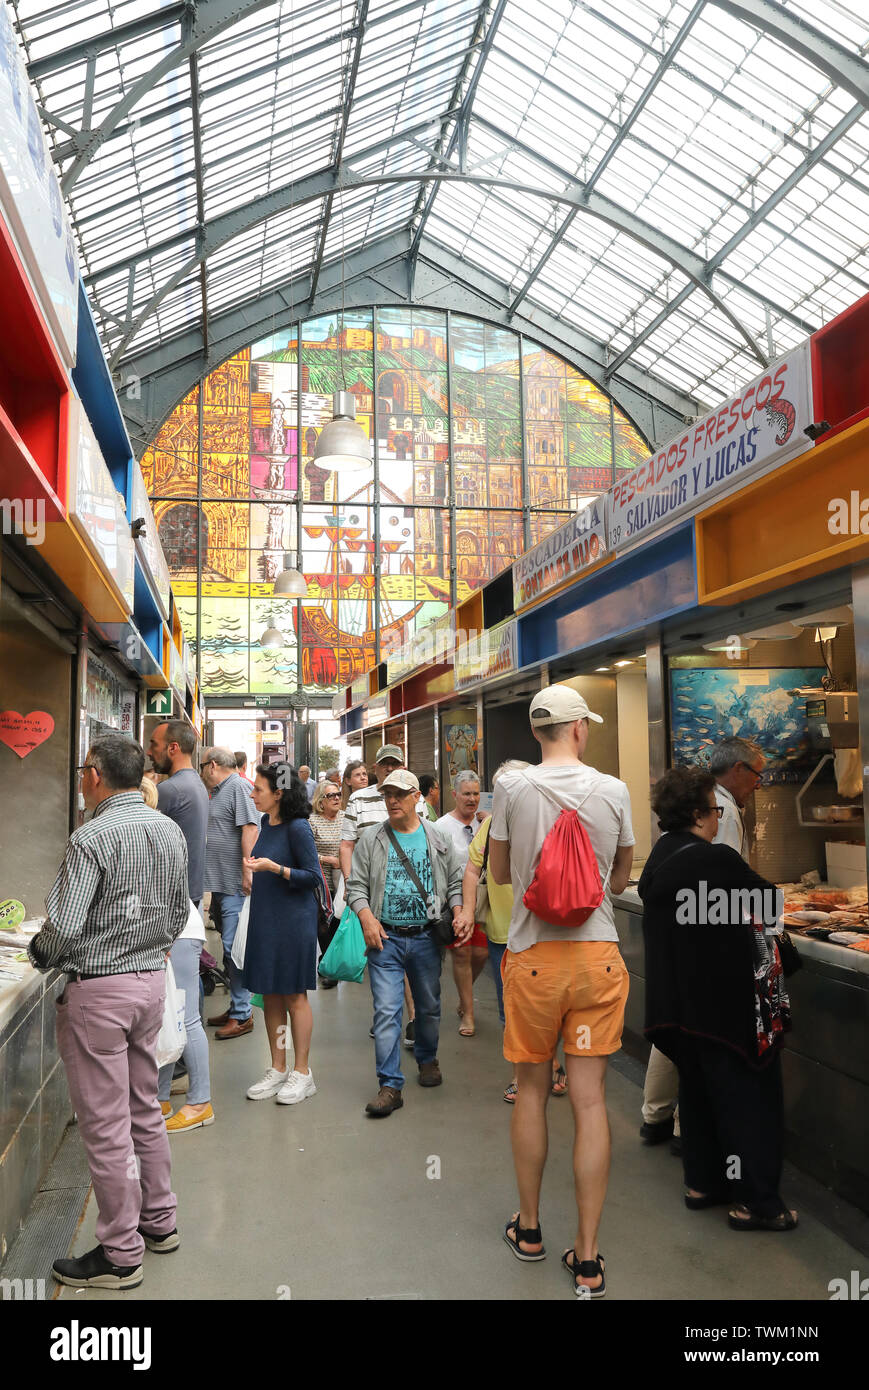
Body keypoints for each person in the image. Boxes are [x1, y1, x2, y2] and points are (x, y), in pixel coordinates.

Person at [489, 685, 634, 1297]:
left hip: (533, 963)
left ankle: (529, 1230)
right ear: (578, 729)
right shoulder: (615, 790)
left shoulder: (512, 788)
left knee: (530, 1090)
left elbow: (498, 873)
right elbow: (622, 877)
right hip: (595, 959)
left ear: (538, 732)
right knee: (591, 1101)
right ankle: (591, 1257)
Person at [29, 735, 188, 1290]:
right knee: (145, 1106)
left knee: (105, 1126)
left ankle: (120, 1253)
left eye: (81, 770)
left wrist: (38, 953)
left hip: (99, 995)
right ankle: (159, 1221)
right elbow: (177, 912)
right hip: (149, 988)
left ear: (94, 774)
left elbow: (65, 929)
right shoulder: (166, 829)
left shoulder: (90, 837)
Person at [638, 765, 796, 1231]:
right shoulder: (715, 860)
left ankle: (703, 1184)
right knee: (749, 1102)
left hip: (679, 1009)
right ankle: (757, 1204)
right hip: (728, 1008)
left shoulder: (661, 857)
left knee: (701, 1094)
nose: (715, 818)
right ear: (696, 813)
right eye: (712, 809)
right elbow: (771, 906)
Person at [640, 738, 766, 1151]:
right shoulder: (723, 814)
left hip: (673, 971)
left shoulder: (663, 850)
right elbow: (729, 883)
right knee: (701, 1046)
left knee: (675, 1033)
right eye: (758, 774)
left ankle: (656, 1116)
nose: (760, 784)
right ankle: (684, 1129)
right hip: (706, 960)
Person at [346, 768, 471, 1116]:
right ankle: (390, 1086)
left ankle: (427, 1058)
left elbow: (455, 883)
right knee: (387, 1012)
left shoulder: (437, 837)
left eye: (399, 794)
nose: (392, 800)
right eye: (387, 794)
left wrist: (459, 911)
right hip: (384, 939)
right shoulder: (372, 838)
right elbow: (356, 887)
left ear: (418, 797)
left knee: (429, 1007)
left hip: (426, 938)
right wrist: (367, 918)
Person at [463, 759, 572, 1103]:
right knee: (511, 1008)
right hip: (504, 935)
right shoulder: (492, 825)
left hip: (547, 932)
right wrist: (467, 911)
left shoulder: (553, 822)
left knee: (550, 1005)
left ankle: (551, 1061)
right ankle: (522, 1076)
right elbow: (472, 868)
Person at [241, 763, 323, 1104]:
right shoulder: (265, 822)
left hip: (293, 922)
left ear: (279, 793)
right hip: (265, 918)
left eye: (258, 789)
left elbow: (313, 876)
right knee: (270, 994)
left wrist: (274, 868)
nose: (252, 794)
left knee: (293, 995)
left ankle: (302, 1072)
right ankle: (278, 1066)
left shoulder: (298, 828)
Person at [147, 720, 213, 1133]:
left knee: (184, 1015)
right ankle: (159, 1097)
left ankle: (200, 1100)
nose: (148, 749)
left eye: (153, 743)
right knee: (174, 1010)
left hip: (177, 918)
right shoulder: (195, 787)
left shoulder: (170, 791)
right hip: (183, 910)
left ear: (173, 748)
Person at [340, 745, 426, 1047]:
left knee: (402, 961)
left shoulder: (417, 798)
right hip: (370, 894)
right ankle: (387, 1016)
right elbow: (347, 844)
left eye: (395, 763)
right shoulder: (359, 799)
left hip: (406, 894)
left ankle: (412, 1017)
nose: (390, 768)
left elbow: (425, 838)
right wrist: (354, 890)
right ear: (375, 768)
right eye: (384, 764)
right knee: (382, 959)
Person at [201, 747, 258, 1038]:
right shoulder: (220, 790)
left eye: (202, 767)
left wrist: (247, 871)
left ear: (212, 765)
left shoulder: (237, 786)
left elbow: (250, 827)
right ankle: (237, 1005)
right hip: (222, 883)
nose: (200, 773)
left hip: (236, 883)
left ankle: (243, 1014)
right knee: (228, 948)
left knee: (234, 950)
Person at [436, 771, 488, 1036]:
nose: (472, 799)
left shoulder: (487, 823)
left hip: (485, 899)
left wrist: (490, 822)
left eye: (476, 793)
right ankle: (468, 1012)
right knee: (462, 953)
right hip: (455, 898)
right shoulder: (442, 826)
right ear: (454, 794)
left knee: (481, 953)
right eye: (466, 793)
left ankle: (464, 997)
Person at [310, 779, 344, 992]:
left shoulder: (346, 819)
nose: (337, 799)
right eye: (331, 795)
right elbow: (308, 852)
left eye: (338, 794)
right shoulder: (312, 821)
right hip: (321, 881)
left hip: (342, 881)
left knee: (337, 924)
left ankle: (327, 961)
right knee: (323, 924)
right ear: (321, 801)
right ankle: (329, 969)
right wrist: (328, 859)